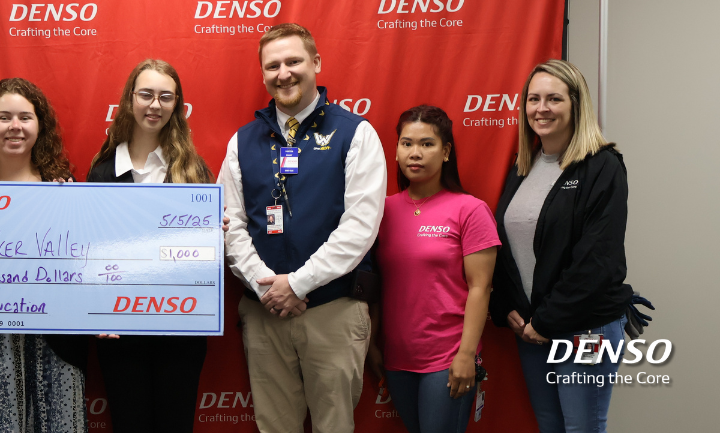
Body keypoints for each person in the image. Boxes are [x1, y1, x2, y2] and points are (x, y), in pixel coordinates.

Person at [219, 24, 386, 433]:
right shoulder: (242, 142)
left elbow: (360, 227)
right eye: (272, 65)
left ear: (316, 63)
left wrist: (296, 284)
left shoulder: (356, 134)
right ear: (262, 75)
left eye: (294, 61)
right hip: (264, 315)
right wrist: (266, 287)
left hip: (332, 311)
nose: (284, 73)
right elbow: (230, 225)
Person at [490, 61, 633, 433]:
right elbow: (507, 248)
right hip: (533, 327)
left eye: (554, 99)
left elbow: (597, 259)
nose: (542, 108)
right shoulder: (522, 165)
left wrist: (548, 321)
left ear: (575, 104)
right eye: (534, 99)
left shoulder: (602, 166)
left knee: (582, 427)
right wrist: (507, 307)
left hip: (587, 328)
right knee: (550, 425)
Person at [0, 79, 86, 433]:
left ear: (39, 126)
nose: (15, 127)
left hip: (56, 346)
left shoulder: (64, 187)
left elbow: (85, 269)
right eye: (4, 117)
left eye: (25, 117)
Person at [88, 60, 213, 433]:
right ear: (130, 99)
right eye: (146, 94)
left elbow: (203, 255)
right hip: (119, 328)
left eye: (165, 96)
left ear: (177, 105)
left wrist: (213, 232)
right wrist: (95, 309)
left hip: (180, 328)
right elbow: (91, 251)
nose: (154, 105)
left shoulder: (192, 169)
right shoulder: (101, 170)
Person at [370, 106, 499, 433]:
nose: (415, 153)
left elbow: (480, 288)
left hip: (447, 358)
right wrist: (372, 344)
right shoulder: (381, 211)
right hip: (397, 359)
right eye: (406, 143)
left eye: (427, 144)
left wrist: (466, 355)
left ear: (446, 152)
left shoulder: (470, 210)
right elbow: (372, 283)